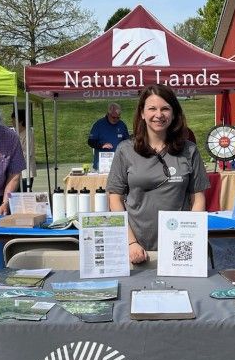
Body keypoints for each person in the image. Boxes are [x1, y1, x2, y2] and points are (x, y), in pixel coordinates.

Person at [107, 85, 209, 264]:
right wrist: (130, 242)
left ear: (174, 113)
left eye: (165, 108)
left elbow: (198, 200)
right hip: (138, 249)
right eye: (152, 108)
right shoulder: (125, 150)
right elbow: (115, 199)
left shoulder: (189, 150)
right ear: (142, 113)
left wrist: (190, 237)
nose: (159, 115)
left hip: (180, 248)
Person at [88, 102, 129, 170]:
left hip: (119, 163)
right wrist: (102, 145)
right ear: (108, 114)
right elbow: (90, 142)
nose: (116, 119)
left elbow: (126, 141)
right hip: (102, 163)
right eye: (113, 117)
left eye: (118, 117)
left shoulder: (122, 125)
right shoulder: (98, 125)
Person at [12, 108, 36, 191]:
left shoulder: (28, 133)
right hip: (16, 172)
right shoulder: (15, 133)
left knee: (25, 194)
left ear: (21, 121)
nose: (12, 122)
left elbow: (27, 153)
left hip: (26, 172)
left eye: (14, 120)